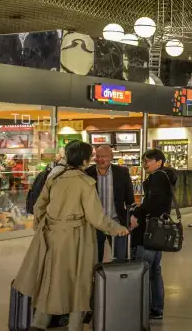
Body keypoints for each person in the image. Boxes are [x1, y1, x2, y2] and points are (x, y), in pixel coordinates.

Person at [13, 141, 128, 331]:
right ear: (84, 160)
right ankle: (75, 326)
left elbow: (38, 206)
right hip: (78, 238)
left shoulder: (55, 178)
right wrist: (117, 228)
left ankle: (39, 322)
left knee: (51, 278)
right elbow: (96, 217)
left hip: (53, 235)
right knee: (79, 281)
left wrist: (45, 226)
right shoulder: (85, 183)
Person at [129, 148, 177, 319]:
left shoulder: (158, 177)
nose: (145, 164)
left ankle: (144, 307)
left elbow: (153, 202)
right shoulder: (165, 176)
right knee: (155, 270)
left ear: (159, 162)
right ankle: (156, 308)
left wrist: (137, 212)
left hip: (149, 228)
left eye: (149, 161)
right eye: (144, 161)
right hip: (158, 229)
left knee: (144, 268)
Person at [85, 145, 135, 262]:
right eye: (97, 156)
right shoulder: (87, 173)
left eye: (104, 156)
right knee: (95, 258)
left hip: (117, 222)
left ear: (111, 157)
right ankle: (97, 279)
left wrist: (132, 216)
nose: (100, 159)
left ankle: (118, 279)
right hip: (96, 224)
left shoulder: (122, 172)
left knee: (120, 258)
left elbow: (130, 198)